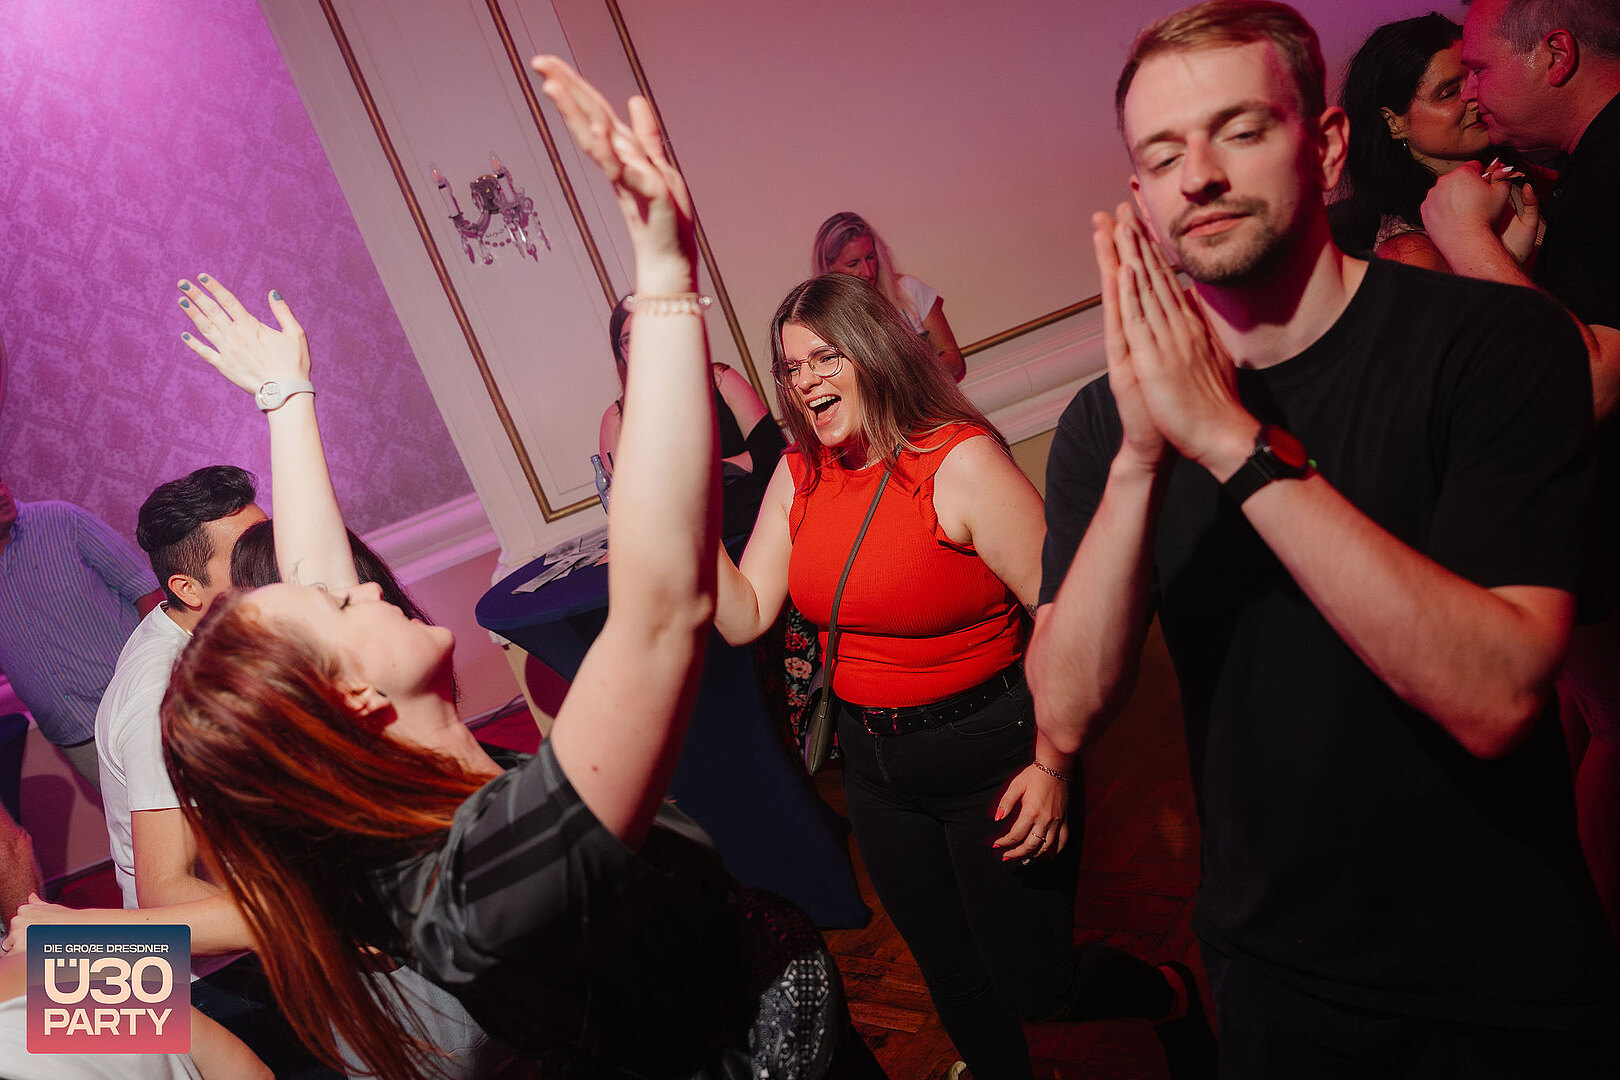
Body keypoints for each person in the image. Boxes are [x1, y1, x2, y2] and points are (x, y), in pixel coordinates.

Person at [148, 59, 879, 1080]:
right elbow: (659, 609)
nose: (365, 583)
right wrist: (666, 280)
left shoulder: (385, 798)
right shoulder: (470, 889)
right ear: (350, 698)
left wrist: (287, 397)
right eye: (341, 606)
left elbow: (313, 588)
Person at [1028, 2, 1620, 1076]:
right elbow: (1064, 715)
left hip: (1503, 979)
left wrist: (1234, 444)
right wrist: (1144, 458)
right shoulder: (1110, 427)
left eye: (1240, 129)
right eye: (1163, 156)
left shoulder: (1490, 346)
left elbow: (1497, 698)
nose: (1199, 176)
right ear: (1140, 197)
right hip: (1274, 982)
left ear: (1330, 144)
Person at [712, 271, 1209, 1078]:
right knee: (953, 976)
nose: (804, 383)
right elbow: (746, 614)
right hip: (874, 766)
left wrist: (1054, 763)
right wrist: (683, 519)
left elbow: (1070, 622)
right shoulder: (799, 473)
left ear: (872, 352)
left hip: (994, 756)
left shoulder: (958, 462)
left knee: (1037, 984)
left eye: (824, 358)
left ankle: (1170, 995)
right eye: (791, 367)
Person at [1420, 0, 1620, 944]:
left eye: (1479, 68)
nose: (1472, 93)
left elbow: (1587, 381)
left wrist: (1463, 237)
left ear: (1556, 53)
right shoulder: (1583, 171)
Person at [0, 473, 162, 791]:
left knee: (206, 804)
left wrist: (159, 676)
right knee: (131, 820)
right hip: (75, 735)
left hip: (142, 706)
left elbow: (146, 591)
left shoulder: (63, 521)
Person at [1337, 12, 1531, 269]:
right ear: (1394, 122)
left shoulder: (1519, 177)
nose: (1474, 96)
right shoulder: (1411, 253)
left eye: (1477, 76)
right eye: (1448, 93)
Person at [598, 294, 785, 539]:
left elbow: (773, 450)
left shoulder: (720, 380)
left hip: (757, 529)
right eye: (629, 339)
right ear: (621, 353)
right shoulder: (616, 419)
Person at [812, 212, 967, 382]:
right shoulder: (822, 322)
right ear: (829, 266)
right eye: (853, 264)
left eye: (870, 257)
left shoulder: (909, 289)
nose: (867, 271)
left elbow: (953, 359)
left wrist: (921, 377)